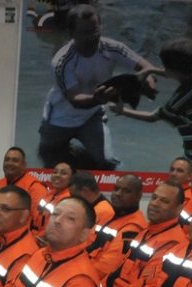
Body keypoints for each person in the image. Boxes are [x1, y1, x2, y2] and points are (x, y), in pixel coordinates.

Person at [37, 4, 155, 170]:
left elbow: (145, 67)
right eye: (85, 33)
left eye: (95, 31)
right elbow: (75, 99)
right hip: (59, 118)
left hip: (92, 116)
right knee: (49, 164)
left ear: (101, 27)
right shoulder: (62, 61)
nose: (91, 38)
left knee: (108, 163)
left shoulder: (113, 48)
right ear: (71, 34)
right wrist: (99, 98)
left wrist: (148, 81)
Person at [111, 38, 192, 171]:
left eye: (164, 66)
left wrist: (123, 111)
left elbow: (153, 117)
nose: (162, 69)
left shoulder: (181, 102)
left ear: (171, 69)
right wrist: (149, 70)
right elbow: (173, 72)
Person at [97, 181, 188, 287]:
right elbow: (118, 269)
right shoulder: (147, 231)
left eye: (164, 201)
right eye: (154, 198)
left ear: (179, 208)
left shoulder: (174, 243)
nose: (155, 204)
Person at [86, 173, 147, 278]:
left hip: (92, 280)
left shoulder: (133, 228)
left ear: (138, 195)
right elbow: (86, 243)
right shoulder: (110, 215)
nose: (118, 194)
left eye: (126, 191)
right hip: (84, 268)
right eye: (116, 189)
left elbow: (108, 267)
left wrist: (78, 274)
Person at [0, 146, 49, 231]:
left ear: (24, 165)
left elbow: (42, 222)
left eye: (15, 160)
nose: (10, 163)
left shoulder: (35, 188)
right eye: (7, 160)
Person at [36, 160, 74, 234]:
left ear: (71, 178)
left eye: (64, 173)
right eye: (55, 172)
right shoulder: (49, 194)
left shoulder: (69, 200)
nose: (57, 175)